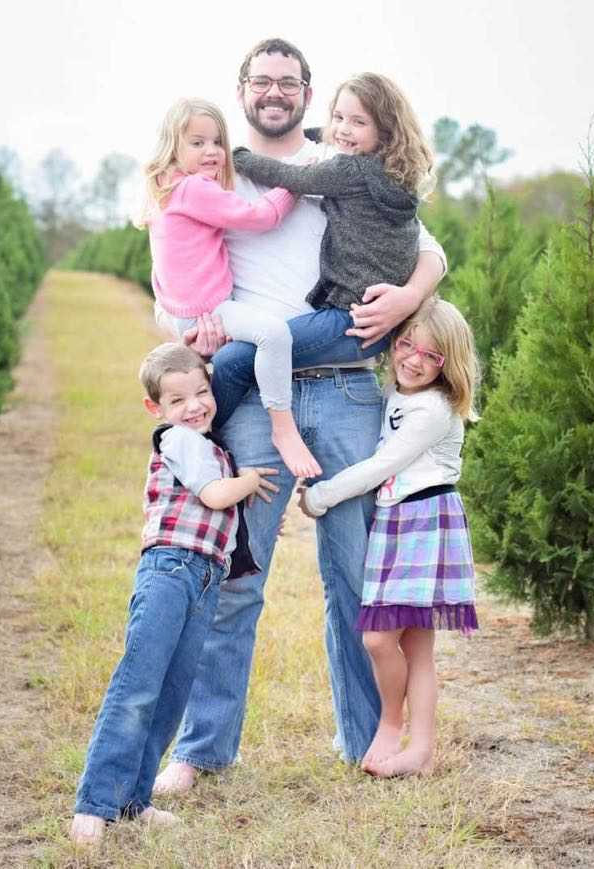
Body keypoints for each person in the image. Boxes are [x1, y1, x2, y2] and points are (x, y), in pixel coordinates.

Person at [153, 37, 447, 797]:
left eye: (289, 81)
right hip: (255, 398)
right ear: (243, 88)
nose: (275, 91)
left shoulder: (338, 161)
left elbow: (430, 248)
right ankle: (203, 749)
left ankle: (367, 740)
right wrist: (189, 328)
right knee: (236, 574)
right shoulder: (216, 171)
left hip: (345, 388)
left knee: (352, 573)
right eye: (263, 80)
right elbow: (169, 276)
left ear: (307, 92)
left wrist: (410, 296)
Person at [69, 343, 278, 845]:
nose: (195, 406)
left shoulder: (211, 448)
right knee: (139, 684)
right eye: (178, 399)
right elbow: (214, 495)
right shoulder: (179, 440)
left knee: (171, 693)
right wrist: (248, 480)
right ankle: (94, 803)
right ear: (155, 408)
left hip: (203, 579)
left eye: (202, 392)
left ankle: (133, 800)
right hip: (171, 571)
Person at [299, 297, 479, 778]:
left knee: (380, 639)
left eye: (431, 355)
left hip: (425, 522)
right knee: (415, 647)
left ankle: (392, 724)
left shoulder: (434, 409)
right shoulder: (395, 392)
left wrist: (321, 496)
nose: (414, 361)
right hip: (395, 522)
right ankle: (420, 752)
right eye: (407, 346)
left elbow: (382, 465)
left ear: (448, 364)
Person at [210, 71, 434, 420]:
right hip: (376, 326)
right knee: (244, 358)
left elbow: (294, 178)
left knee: (231, 361)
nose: (343, 129)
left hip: (349, 320)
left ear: (385, 130)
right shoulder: (394, 176)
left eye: (358, 122)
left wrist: (238, 157)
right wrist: (322, 133)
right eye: (338, 118)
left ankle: (204, 433)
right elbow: (339, 136)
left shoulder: (349, 170)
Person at [142, 97, 321, 479]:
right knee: (274, 335)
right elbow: (261, 216)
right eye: (197, 143)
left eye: (217, 142)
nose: (211, 151)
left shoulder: (163, 190)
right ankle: (283, 427)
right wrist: (295, 181)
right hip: (208, 310)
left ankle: (206, 455)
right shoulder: (193, 189)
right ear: (173, 147)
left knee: (222, 371)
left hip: (184, 311)